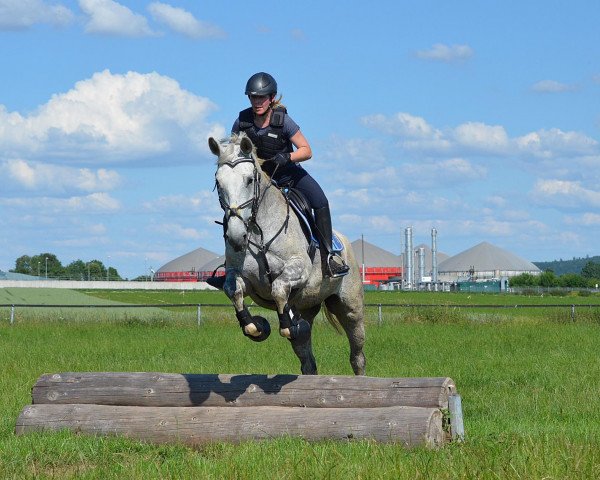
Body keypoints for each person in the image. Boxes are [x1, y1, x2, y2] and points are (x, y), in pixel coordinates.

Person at [207, 72, 348, 289]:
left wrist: (288, 156)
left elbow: (307, 150)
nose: (257, 102)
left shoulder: (283, 121)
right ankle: (231, 265)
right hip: (257, 180)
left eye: (261, 98)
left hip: (287, 174)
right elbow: (233, 152)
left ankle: (329, 257)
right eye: (253, 97)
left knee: (320, 200)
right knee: (233, 212)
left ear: (272, 98)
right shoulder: (242, 121)